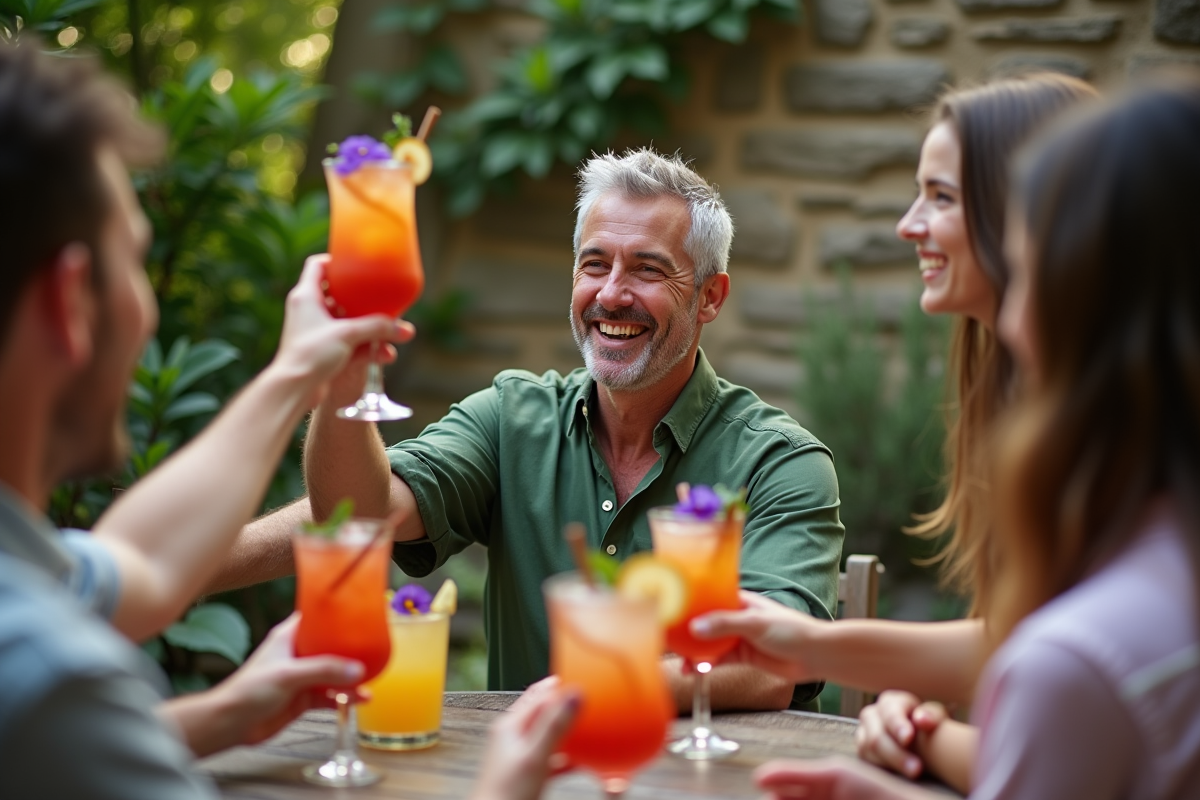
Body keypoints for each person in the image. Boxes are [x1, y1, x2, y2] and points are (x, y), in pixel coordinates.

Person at [690, 78, 1200, 799]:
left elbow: (1059, 674)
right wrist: (815, 649)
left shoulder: (1086, 642)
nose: (908, 225)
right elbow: (1022, 653)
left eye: (941, 196)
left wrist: (922, 739)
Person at [214, 148, 846, 711]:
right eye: (594, 264)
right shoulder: (512, 417)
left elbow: (775, 663)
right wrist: (341, 380)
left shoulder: (780, 462)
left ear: (710, 297)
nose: (611, 294)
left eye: (648, 270)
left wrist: (593, 688)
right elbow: (358, 512)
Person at [0, 42, 410, 796]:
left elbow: (139, 566)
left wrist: (224, 713)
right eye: (134, 259)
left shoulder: (24, 581)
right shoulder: (50, 676)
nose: (146, 307)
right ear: (71, 300)